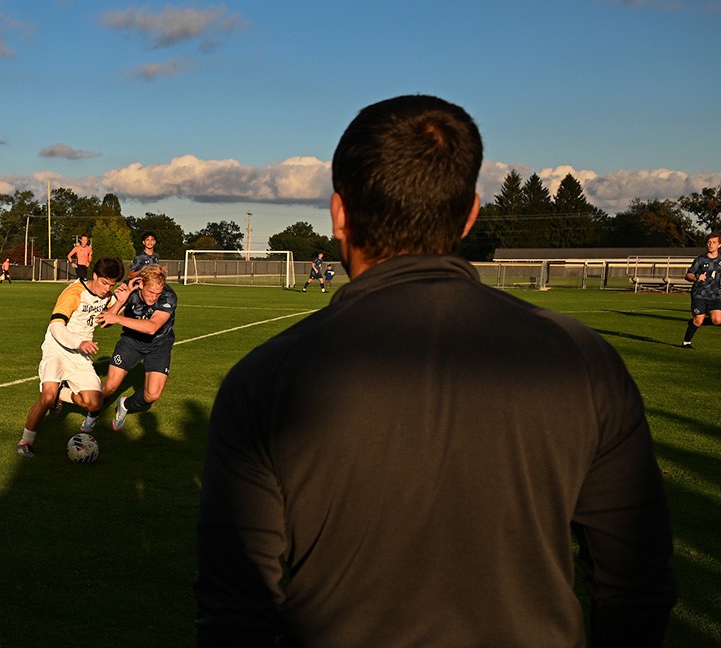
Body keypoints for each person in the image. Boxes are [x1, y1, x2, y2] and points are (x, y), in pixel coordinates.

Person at [195, 95, 676, 647]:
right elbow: (636, 584)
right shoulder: (585, 361)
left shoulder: (266, 377)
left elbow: (235, 608)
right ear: (471, 213)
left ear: (338, 214)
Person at [16, 257, 125, 457]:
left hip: (80, 355)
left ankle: (62, 394)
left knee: (95, 403)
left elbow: (106, 321)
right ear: (95, 275)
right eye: (104, 283)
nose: (106, 289)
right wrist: (79, 342)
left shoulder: (107, 296)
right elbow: (56, 326)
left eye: (111, 285)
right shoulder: (74, 293)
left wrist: (122, 300)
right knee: (47, 397)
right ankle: (26, 441)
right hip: (57, 349)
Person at [96, 264, 177, 432]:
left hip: (159, 345)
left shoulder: (168, 297)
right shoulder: (130, 290)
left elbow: (152, 327)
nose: (154, 297)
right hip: (131, 342)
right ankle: (91, 413)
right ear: (141, 284)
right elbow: (104, 321)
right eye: (150, 292)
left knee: (152, 395)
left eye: (158, 293)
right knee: (109, 387)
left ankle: (125, 404)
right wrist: (120, 301)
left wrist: (118, 319)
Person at [681, 232, 721, 348]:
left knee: (717, 320)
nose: (710, 244)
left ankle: (694, 322)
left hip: (714, 295)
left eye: (714, 242)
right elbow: (688, 275)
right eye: (709, 242)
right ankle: (686, 342)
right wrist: (697, 278)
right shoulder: (700, 260)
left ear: (719, 245)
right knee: (698, 320)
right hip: (699, 294)